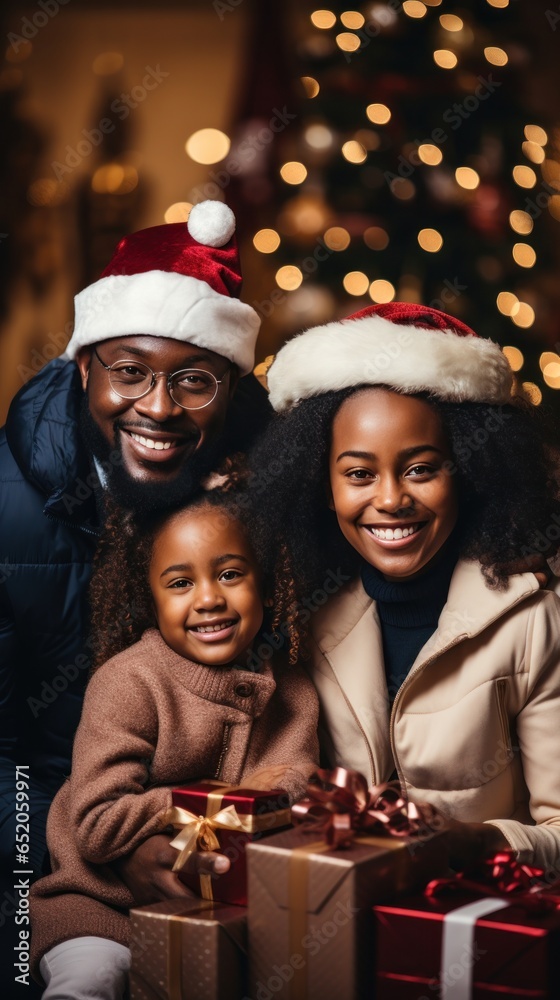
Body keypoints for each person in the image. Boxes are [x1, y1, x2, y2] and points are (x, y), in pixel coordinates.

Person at [0, 200, 270, 898]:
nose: (158, 408)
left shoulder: (262, 493)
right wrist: (100, 858)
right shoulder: (7, 512)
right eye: (129, 372)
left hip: (229, 855)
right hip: (45, 872)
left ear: (231, 386)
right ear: (84, 364)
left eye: (195, 381)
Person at [251, 301, 560, 872]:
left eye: (421, 468)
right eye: (359, 474)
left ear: (467, 472)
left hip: (483, 927)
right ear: (322, 486)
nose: (391, 499)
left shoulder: (532, 619)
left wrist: (477, 843)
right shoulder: (300, 617)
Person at [30, 479, 319, 998]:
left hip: (220, 914)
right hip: (102, 907)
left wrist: (285, 793)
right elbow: (97, 825)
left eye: (230, 574)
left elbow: (294, 788)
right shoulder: (128, 682)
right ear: (151, 598)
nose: (209, 599)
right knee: (94, 980)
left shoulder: (293, 690)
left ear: (269, 585)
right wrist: (211, 798)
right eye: (180, 583)